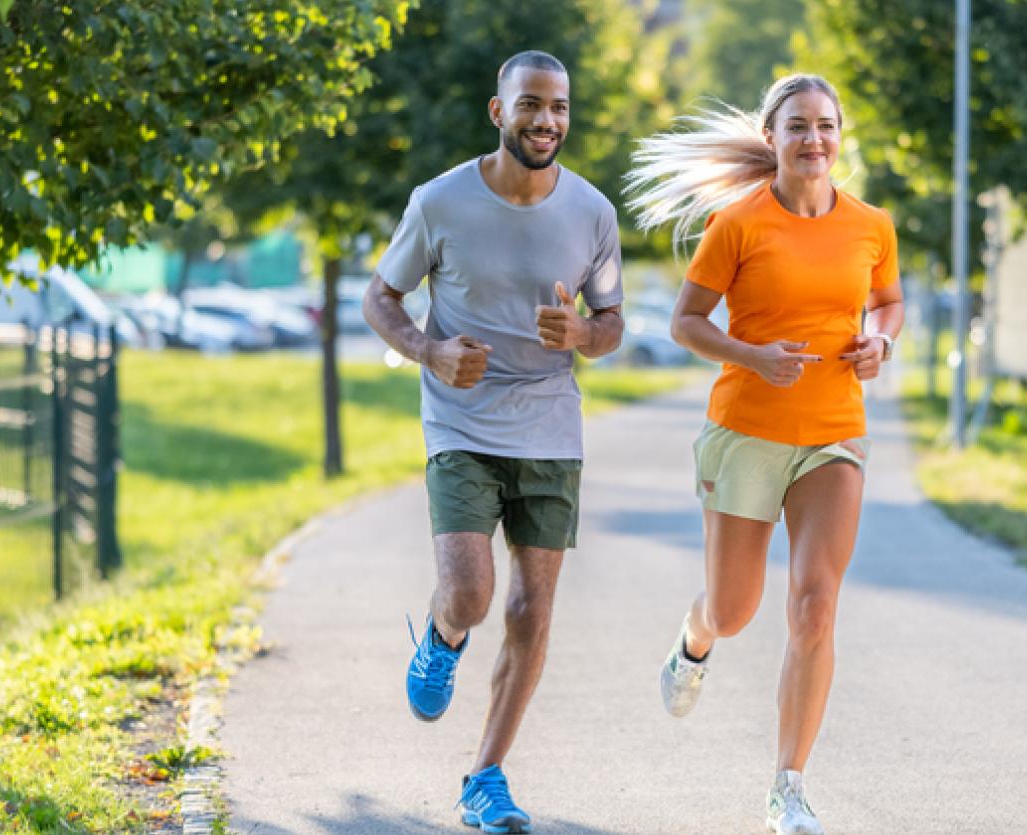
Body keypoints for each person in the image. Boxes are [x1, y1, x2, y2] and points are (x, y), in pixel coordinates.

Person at [625, 73, 904, 835]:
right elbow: (686, 321)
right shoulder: (737, 223)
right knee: (736, 609)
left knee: (814, 606)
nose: (815, 139)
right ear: (771, 136)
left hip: (834, 434)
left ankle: (789, 786)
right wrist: (750, 353)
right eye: (798, 126)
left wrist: (881, 338)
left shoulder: (872, 224)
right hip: (747, 429)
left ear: (840, 135)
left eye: (826, 126)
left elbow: (887, 300)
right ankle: (695, 637)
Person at [362, 50, 624, 835]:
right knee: (473, 593)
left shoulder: (592, 212)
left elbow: (613, 325)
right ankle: (443, 636)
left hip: (549, 422)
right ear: (497, 110)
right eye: (532, 105)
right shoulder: (440, 201)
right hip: (461, 419)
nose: (548, 120)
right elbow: (381, 295)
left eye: (560, 107)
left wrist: (582, 331)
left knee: (531, 608)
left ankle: (485, 776)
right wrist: (428, 351)